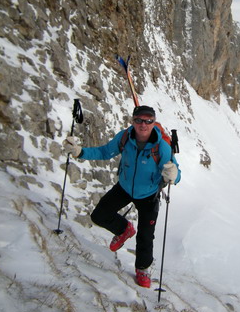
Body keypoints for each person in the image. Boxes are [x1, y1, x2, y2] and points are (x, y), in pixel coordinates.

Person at [63, 105, 180, 288]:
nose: (143, 125)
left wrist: (173, 175)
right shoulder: (125, 137)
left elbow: (175, 172)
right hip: (124, 187)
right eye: (139, 120)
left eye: (148, 121)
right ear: (132, 121)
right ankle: (124, 229)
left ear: (154, 123)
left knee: (145, 236)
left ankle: (142, 268)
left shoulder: (162, 147)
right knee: (99, 215)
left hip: (149, 194)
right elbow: (105, 151)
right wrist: (80, 152)